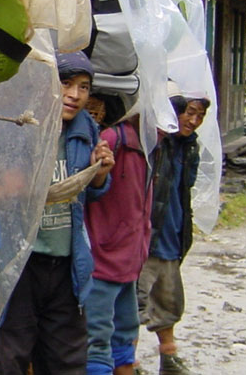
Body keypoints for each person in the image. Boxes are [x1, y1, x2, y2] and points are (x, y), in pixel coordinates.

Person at [0, 51, 115, 375]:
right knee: (9, 356)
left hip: (65, 264)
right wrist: (12, 187)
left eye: (84, 87)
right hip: (20, 264)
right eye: (66, 83)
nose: (74, 95)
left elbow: (90, 194)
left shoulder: (85, 129)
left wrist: (98, 174)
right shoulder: (20, 123)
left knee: (65, 360)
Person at [136, 88, 209, 375]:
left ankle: (169, 357)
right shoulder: (156, 142)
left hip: (172, 235)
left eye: (200, 116)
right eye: (189, 112)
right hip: (147, 238)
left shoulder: (190, 146)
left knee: (169, 301)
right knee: (133, 304)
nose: (193, 120)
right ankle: (128, 361)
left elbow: (184, 188)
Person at [84, 112, 151, 375]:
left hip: (130, 259)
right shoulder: (114, 138)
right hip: (103, 261)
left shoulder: (150, 145)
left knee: (125, 334)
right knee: (98, 342)